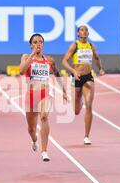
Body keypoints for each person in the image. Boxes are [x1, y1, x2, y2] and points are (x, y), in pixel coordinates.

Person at [19, 33, 67, 162]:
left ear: (43, 44)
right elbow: (21, 71)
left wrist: (64, 91)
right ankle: (34, 140)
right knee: (31, 128)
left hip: (44, 93)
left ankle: (44, 151)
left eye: (40, 42)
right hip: (31, 95)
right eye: (35, 42)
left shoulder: (49, 60)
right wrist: (32, 55)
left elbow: (57, 74)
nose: (38, 44)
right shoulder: (26, 57)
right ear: (30, 45)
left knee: (44, 116)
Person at [61, 25, 105, 145]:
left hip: (88, 77)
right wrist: (73, 71)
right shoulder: (74, 45)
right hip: (76, 77)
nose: (84, 32)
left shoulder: (91, 46)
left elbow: (97, 58)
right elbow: (64, 61)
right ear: (78, 33)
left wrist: (100, 68)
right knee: (76, 111)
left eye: (86, 30)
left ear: (88, 34)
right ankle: (78, 101)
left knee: (89, 105)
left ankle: (86, 136)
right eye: (82, 30)